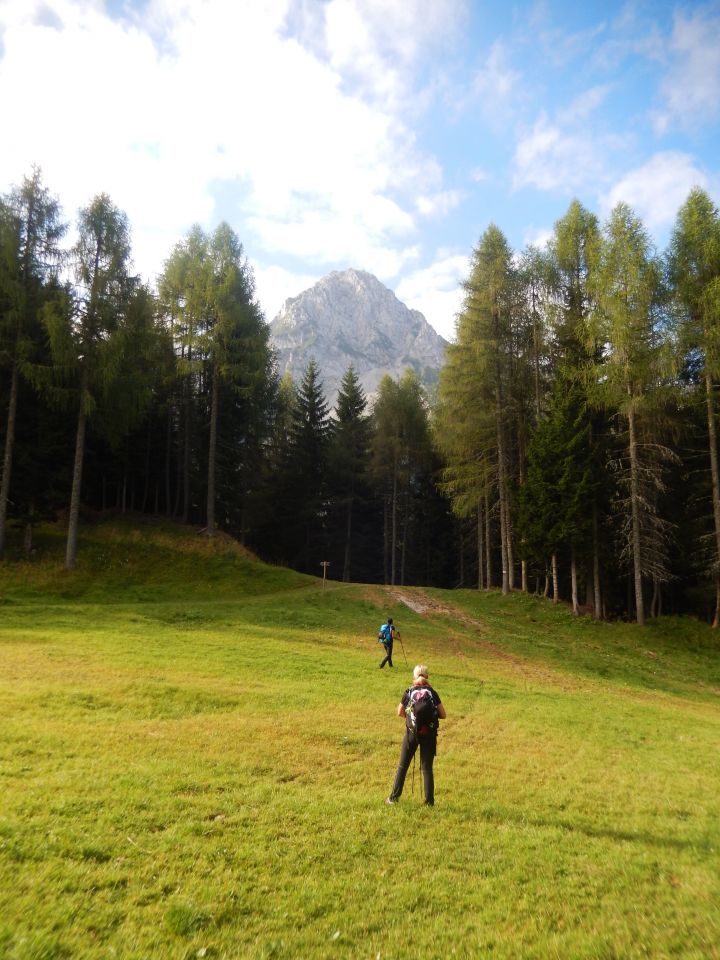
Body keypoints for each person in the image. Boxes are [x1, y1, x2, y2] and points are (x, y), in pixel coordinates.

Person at [386, 664, 446, 806]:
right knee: (427, 768)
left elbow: (400, 712)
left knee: (402, 766)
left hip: (411, 733)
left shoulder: (409, 691)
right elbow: (443, 714)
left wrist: (412, 720)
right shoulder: (433, 692)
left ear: (414, 677)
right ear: (427, 677)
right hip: (429, 734)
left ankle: (393, 799)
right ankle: (429, 802)